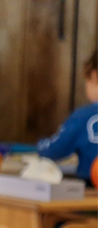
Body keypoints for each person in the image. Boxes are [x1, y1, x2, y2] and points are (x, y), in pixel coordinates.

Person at [37, 48, 98, 183]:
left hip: (91, 191)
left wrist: (40, 146)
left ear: (93, 76)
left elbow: (55, 150)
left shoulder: (82, 116)